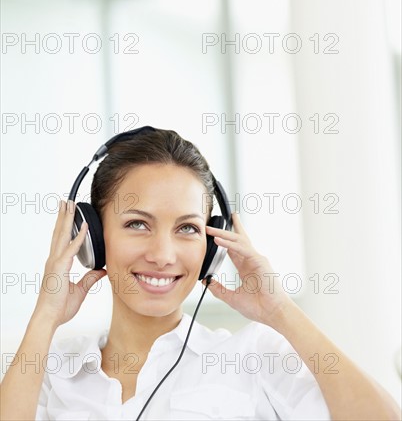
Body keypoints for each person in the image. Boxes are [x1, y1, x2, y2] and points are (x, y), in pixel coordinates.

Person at [1, 128, 400, 421]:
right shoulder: (52, 369)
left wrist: (280, 310)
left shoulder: (252, 357)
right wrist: (45, 317)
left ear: (212, 247)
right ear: (92, 236)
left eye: (187, 228)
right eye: (138, 224)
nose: (162, 255)